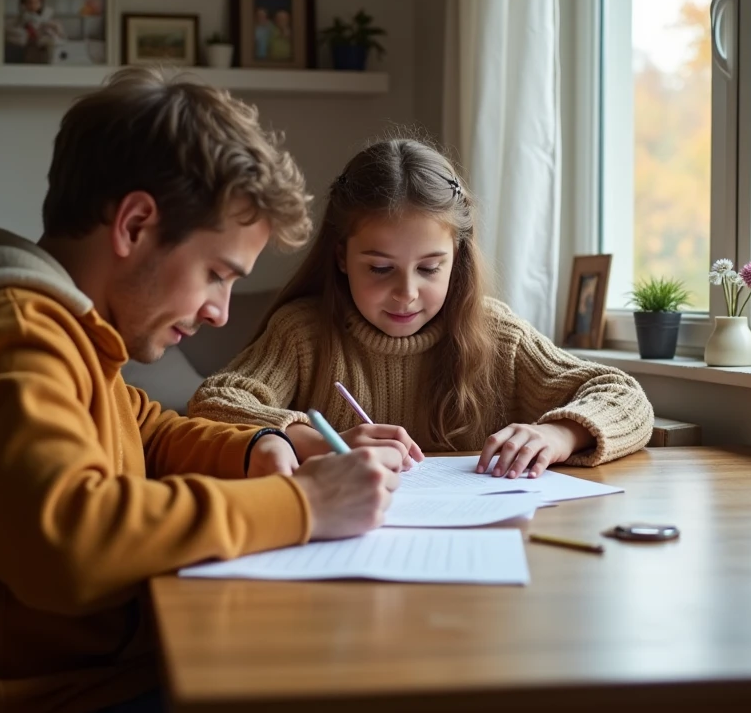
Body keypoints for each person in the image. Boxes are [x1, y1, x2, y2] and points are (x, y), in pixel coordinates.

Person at [0, 68, 407, 713]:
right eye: (216, 274)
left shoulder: (68, 330)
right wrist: (306, 502)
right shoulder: (11, 339)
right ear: (136, 224)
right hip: (58, 704)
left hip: (96, 676)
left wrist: (265, 444)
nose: (220, 312)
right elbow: (71, 545)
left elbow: (150, 432)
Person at [189, 138, 654, 479]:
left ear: (458, 258)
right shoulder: (303, 333)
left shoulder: (495, 333)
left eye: (430, 268)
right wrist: (316, 442)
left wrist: (559, 435)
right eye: (380, 268)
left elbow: (624, 396)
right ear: (341, 258)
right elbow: (210, 407)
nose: (406, 292)